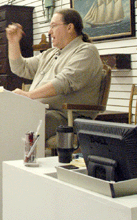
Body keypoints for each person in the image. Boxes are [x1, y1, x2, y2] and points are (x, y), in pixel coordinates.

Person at [6, 8, 103, 141]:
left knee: (15, 128)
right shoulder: (51, 53)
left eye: (53, 26)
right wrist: (13, 41)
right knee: (3, 119)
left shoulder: (86, 51)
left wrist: (29, 95)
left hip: (64, 117)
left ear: (70, 27)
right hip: (41, 111)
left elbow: (63, 82)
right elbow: (20, 68)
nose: (49, 32)